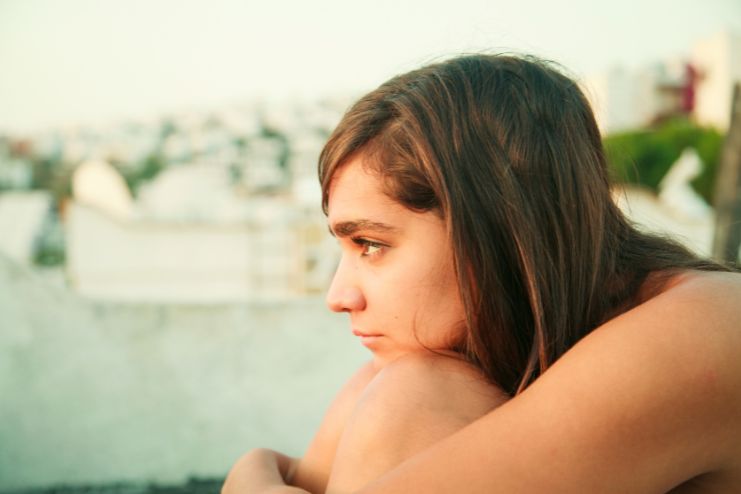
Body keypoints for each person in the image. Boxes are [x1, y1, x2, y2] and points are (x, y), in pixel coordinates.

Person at [222, 54, 741, 493]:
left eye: (372, 245)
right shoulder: (455, 358)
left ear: (498, 229)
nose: (338, 296)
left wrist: (252, 472)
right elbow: (292, 474)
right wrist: (255, 466)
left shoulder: (703, 329)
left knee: (411, 394)